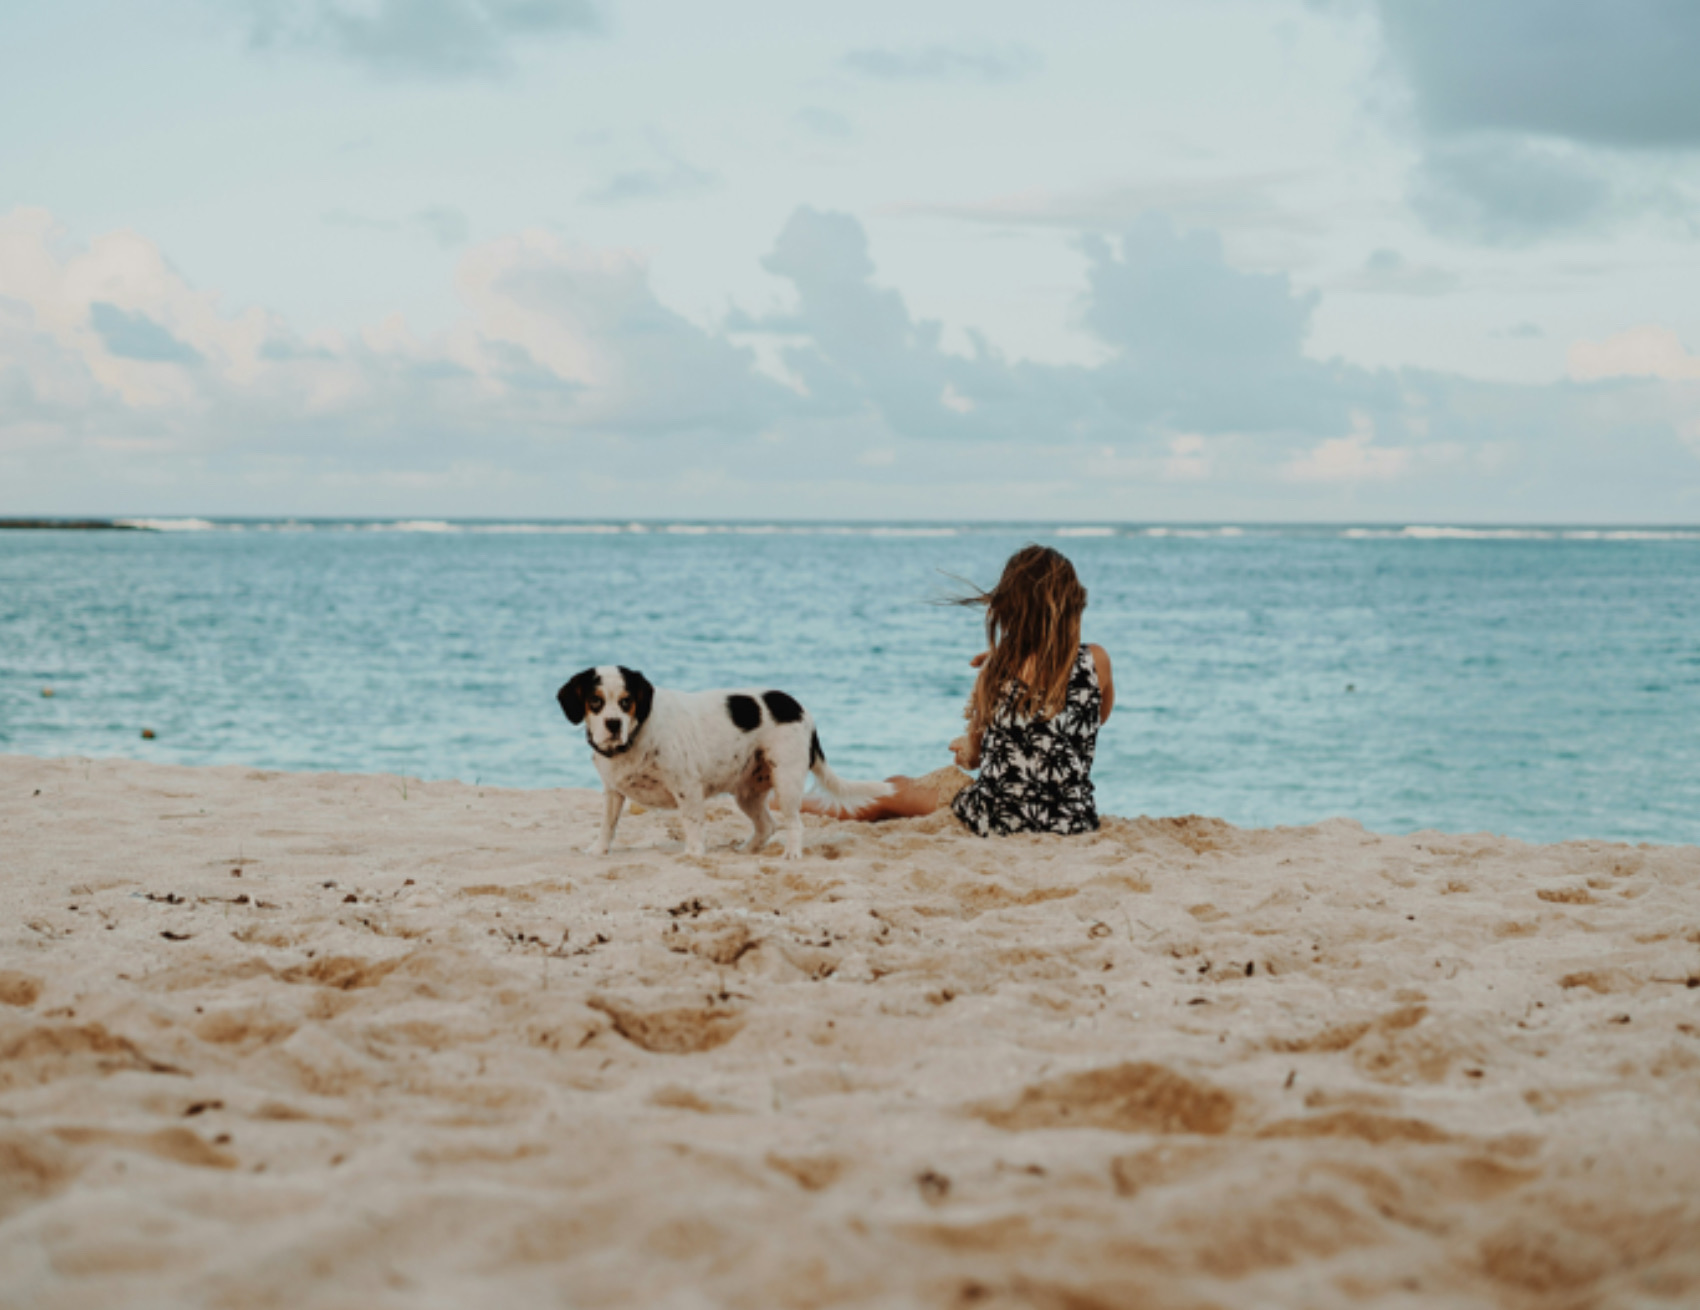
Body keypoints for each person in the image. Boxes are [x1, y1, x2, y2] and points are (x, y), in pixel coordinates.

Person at [806, 544, 1114, 834]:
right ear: (1073, 606)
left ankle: (781, 801)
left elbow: (977, 758)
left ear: (1008, 608)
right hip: (1074, 820)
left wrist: (966, 748)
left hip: (999, 819)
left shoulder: (997, 671)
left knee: (892, 789)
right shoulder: (1097, 660)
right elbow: (1092, 721)